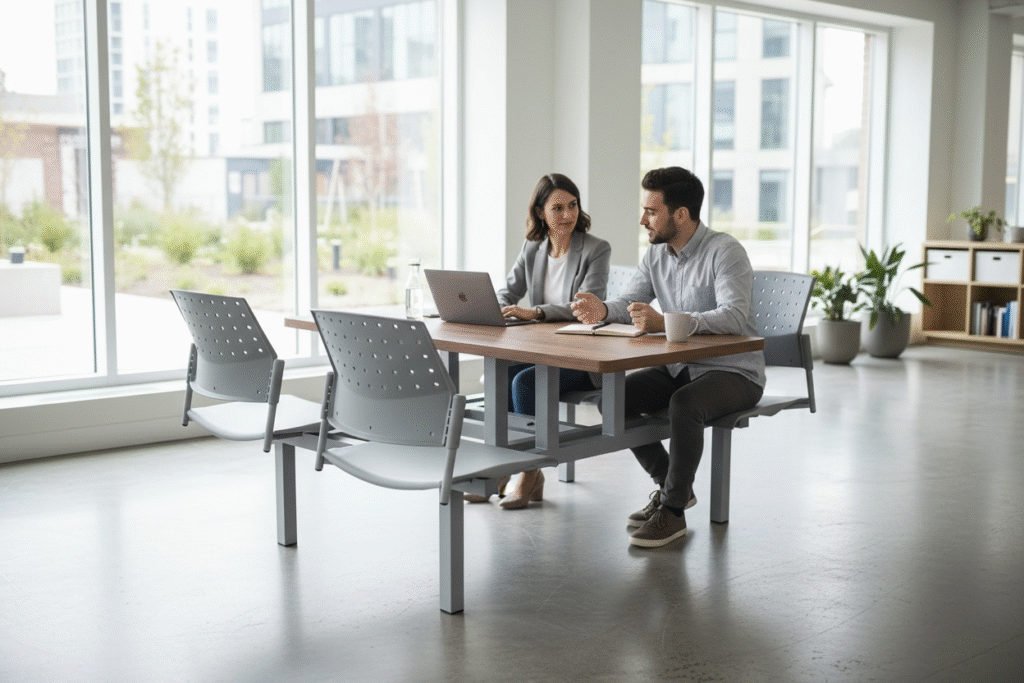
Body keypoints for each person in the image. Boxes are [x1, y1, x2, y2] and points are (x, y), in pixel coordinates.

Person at [570, 166, 765, 547]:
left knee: (684, 404)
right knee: (613, 399)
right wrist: (603, 310)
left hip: (735, 371)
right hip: (681, 366)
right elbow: (630, 301)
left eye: (651, 211)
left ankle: (673, 513)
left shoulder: (725, 251)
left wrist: (667, 322)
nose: (643, 219)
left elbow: (734, 316)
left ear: (681, 214)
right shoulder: (656, 254)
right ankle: (672, 488)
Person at [466, 173, 611, 509]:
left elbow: (586, 306)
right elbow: (508, 290)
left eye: (572, 205)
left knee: (525, 383)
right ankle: (502, 468)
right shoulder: (533, 248)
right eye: (557, 208)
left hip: (581, 356)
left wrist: (536, 312)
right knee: (502, 375)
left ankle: (530, 472)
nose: (567, 214)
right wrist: (496, 307)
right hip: (541, 351)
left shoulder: (596, 249)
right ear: (540, 212)